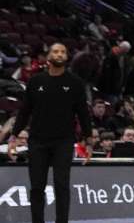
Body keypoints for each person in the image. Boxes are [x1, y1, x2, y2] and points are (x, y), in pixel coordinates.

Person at [8, 42, 91, 223]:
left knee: (62, 186)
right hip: (38, 141)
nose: (59, 54)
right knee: (37, 187)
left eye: (63, 52)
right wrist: (14, 136)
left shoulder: (75, 83)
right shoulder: (35, 81)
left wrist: (88, 139)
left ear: (67, 57)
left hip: (64, 141)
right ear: (48, 56)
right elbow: (24, 111)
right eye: (55, 51)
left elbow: (83, 113)